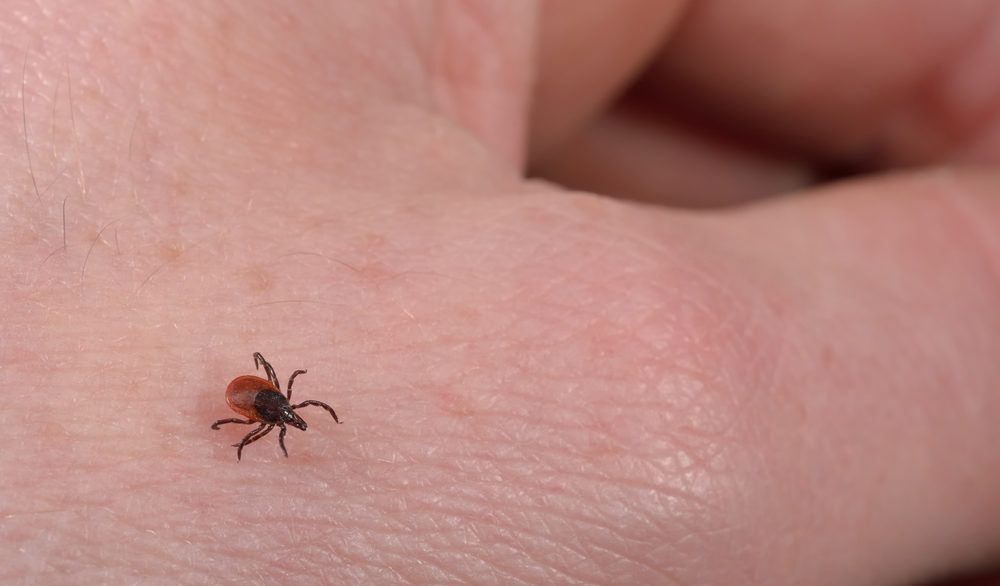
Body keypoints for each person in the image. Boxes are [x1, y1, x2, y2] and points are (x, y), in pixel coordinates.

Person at [1, 2, 997, 583]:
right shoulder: (268, 405)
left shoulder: (268, 404)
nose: (281, 410)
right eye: (281, 409)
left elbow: (262, 389)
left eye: (281, 409)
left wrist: (248, 420)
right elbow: (261, 392)